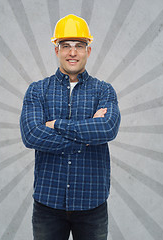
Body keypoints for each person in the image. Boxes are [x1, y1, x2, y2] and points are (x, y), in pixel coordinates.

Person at [20, 14, 121, 240]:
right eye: (66, 46)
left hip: (91, 204)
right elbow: (31, 134)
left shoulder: (104, 91)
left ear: (88, 51)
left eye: (79, 46)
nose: (72, 52)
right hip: (48, 203)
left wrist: (56, 125)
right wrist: (86, 136)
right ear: (57, 50)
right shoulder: (37, 90)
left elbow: (107, 129)